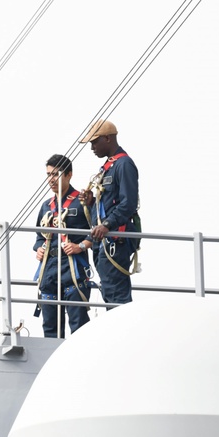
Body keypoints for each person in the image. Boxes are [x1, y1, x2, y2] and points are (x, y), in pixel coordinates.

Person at [33, 154, 94, 337]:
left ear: (69, 175)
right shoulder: (46, 206)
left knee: (79, 326)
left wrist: (80, 246)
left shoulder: (83, 202)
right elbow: (38, 237)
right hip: (49, 269)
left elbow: (98, 234)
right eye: (48, 175)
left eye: (56, 174)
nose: (51, 179)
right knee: (50, 327)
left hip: (73, 268)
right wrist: (39, 249)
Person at [79, 119, 139, 305]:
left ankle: (123, 332)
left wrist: (106, 224)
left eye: (94, 142)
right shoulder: (109, 166)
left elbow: (128, 204)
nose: (92, 148)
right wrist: (90, 203)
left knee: (115, 294)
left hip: (115, 239)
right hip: (104, 240)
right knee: (108, 290)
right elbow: (109, 203)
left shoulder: (124, 164)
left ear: (107, 138)